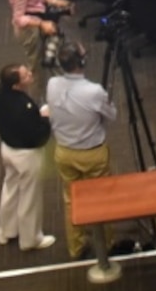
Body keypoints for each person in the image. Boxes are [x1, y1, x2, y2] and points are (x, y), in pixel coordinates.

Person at [46, 41, 116, 259]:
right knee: (101, 199)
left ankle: (76, 247)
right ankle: (107, 243)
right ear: (82, 62)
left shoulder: (52, 84)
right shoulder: (93, 91)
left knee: (71, 199)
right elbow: (111, 115)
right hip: (92, 153)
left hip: (64, 152)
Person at [0, 63, 54, 252]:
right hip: (26, 155)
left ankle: (6, 230)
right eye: (26, 75)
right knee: (29, 196)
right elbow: (38, 135)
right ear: (16, 85)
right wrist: (44, 118)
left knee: (10, 189)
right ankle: (30, 239)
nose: (30, 75)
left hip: (7, 148)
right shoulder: (22, 107)